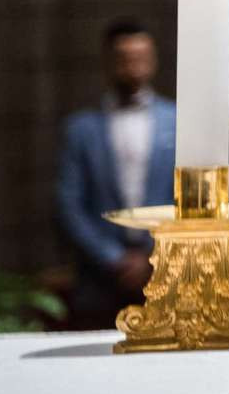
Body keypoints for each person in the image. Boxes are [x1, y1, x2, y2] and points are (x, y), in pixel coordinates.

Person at [54, 20, 175, 327]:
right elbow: (69, 203)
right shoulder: (82, 129)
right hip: (100, 274)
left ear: (153, 61)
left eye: (140, 58)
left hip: (165, 269)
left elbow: (186, 196)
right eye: (123, 59)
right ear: (107, 62)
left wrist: (153, 254)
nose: (132, 67)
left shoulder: (176, 121)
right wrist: (111, 257)